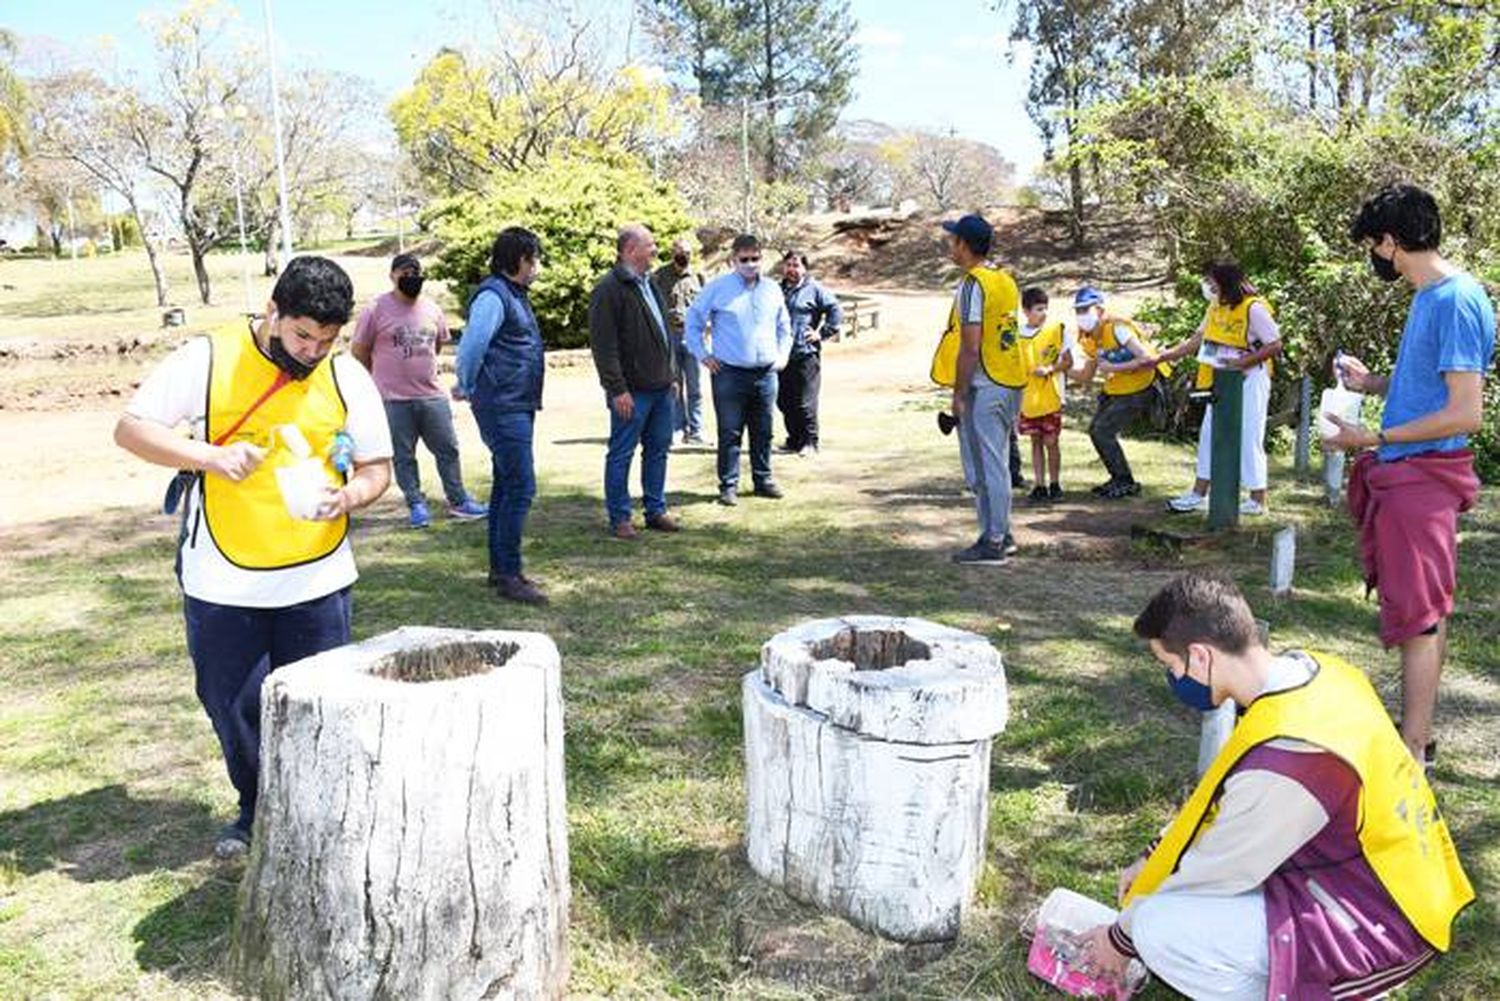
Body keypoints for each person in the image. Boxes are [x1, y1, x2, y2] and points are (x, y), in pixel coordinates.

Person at [1077, 572, 1473, 1000]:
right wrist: (1156, 854)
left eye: (1170, 666)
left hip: (1379, 923)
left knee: (1159, 926)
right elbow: (1222, 798)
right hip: (1384, 880)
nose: (1172, 679)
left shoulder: (1291, 758)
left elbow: (1215, 872)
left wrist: (1121, 937)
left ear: (1201, 657)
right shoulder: (1314, 675)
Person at [113, 256, 393, 859]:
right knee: (234, 706)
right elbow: (131, 429)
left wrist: (348, 497)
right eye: (301, 336)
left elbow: (377, 470)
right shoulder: (206, 359)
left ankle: (321, 811)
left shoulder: (347, 376)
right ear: (273, 312)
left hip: (318, 575)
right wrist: (209, 457)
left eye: (326, 340)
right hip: (223, 577)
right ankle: (257, 806)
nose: (312, 351)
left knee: (324, 705)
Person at [1325, 183, 1494, 764]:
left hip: (1423, 478)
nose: (1374, 257)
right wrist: (1373, 384)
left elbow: (1465, 412)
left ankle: (1412, 747)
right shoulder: (1428, 297)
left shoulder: (1455, 299)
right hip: (1409, 473)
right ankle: (1416, 732)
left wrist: (1370, 437)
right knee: (1426, 609)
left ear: (1392, 242)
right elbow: (1430, 387)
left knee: (1419, 617)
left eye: (1374, 245)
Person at [350, 252, 487, 529]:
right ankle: (416, 504)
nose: (411, 278)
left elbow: (436, 346)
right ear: (392, 276)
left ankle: (458, 500)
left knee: (447, 449)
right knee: (403, 456)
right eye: (405, 273)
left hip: (431, 395)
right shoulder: (375, 309)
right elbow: (359, 350)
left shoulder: (432, 309)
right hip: (392, 399)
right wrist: (377, 380)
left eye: (416, 273)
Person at [454, 226, 549, 605]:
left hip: (515, 401)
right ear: (518, 260)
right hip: (503, 404)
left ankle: (499, 570)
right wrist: (466, 382)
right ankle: (510, 574)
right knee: (521, 486)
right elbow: (472, 344)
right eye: (534, 258)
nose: (537, 266)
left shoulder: (512, 294)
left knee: (505, 484)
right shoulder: (494, 296)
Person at [929, 213, 1025, 563]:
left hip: (984, 384)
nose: (949, 245)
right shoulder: (1004, 280)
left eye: (953, 240)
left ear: (965, 245)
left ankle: (995, 540)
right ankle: (1001, 532)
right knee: (994, 462)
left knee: (987, 466)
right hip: (1009, 380)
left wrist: (958, 392)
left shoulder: (973, 285)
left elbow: (970, 346)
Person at [1156, 261, 1283, 517]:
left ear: (1226, 283)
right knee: (1209, 433)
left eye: (1212, 283)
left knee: (1249, 436)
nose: (1209, 287)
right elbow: (1197, 340)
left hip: (1251, 379)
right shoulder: (1215, 306)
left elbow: (1275, 344)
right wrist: (1164, 356)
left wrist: (1242, 362)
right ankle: (1198, 493)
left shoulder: (1253, 308)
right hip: (1222, 379)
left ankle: (1258, 498)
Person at [685, 233, 792, 506]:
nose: (750, 264)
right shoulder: (717, 288)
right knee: (730, 431)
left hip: (766, 373)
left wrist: (782, 356)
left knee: (764, 430)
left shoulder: (772, 289)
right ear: (733, 260)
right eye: (744, 259)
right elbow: (694, 321)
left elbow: (784, 327)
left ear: (761, 259)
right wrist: (702, 354)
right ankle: (728, 485)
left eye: (755, 259)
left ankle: (763, 479)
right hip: (729, 373)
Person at [588, 224, 681, 539]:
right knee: (621, 453)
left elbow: (662, 332)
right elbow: (604, 347)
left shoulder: (649, 283)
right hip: (632, 392)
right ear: (630, 250)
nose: (655, 250)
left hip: (660, 389)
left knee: (658, 450)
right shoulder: (609, 289)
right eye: (650, 245)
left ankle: (655, 510)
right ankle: (620, 518)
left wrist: (671, 374)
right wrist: (617, 390)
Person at [1073, 287, 1170, 499]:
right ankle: (1118, 478)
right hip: (1118, 389)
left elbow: (1146, 359)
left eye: (1085, 309)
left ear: (1099, 309)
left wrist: (1113, 368)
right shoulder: (1089, 337)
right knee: (1097, 430)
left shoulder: (1117, 328)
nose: (1081, 315)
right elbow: (1086, 376)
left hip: (1141, 387)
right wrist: (1061, 368)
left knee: (1102, 430)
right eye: (1077, 310)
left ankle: (1125, 481)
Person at [776, 250, 844, 456]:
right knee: (784, 400)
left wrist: (822, 333)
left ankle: (810, 442)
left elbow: (835, 309)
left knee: (805, 401)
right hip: (781, 354)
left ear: (804, 268)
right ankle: (794, 439)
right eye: (788, 265)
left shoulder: (814, 289)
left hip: (805, 354)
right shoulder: (777, 290)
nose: (792, 269)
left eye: (796, 265)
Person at [1016, 287, 1073, 503]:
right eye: (1038, 309)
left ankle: (1055, 484)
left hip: (1051, 397)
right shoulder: (1018, 335)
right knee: (1035, 441)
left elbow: (1068, 361)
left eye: (1045, 308)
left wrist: (1050, 369)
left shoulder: (1056, 330)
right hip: (1028, 400)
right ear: (1026, 310)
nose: (1043, 313)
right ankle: (1039, 485)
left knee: (1051, 441)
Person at [652, 237, 706, 444]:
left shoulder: (699, 277)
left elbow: (705, 307)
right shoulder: (660, 276)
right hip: (670, 337)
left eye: (688, 252)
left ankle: (696, 430)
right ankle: (677, 428)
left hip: (692, 337)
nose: (684, 256)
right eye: (680, 252)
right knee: (674, 385)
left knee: (695, 387)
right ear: (673, 252)